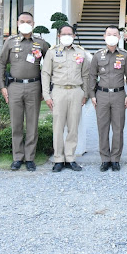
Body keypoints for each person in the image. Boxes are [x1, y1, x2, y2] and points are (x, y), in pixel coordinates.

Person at [0, 12, 50, 172]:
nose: (25, 24)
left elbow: (50, 65)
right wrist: (2, 86)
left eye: (28, 21)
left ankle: (30, 158)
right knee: (16, 123)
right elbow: (1, 64)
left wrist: (46, 88)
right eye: (22, 21)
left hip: (34, 86)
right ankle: (17, 157)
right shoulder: (10, 42)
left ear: (33, 23)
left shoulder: (41, 43)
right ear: (17, 23)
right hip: (14, 86)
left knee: (32, 123)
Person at [42, 25, 89, 172]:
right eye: (64, 34)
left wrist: (85, 94)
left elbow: (85, 74)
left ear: (74, 36)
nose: (67, 36)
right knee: (58, 127)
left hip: (76, 91)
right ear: (59, 36)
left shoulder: (81, 52)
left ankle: (70, 158)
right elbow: (45, 74)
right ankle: (58, 159)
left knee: (73, 127)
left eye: (70, 34)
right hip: (59, 91)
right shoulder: (52, 52)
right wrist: (46, 95)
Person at [89, 25, 127, 172]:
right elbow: (92, 76)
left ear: (119, 37)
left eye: (115, 34)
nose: (112, 37)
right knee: (102, 128)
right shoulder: (97, 55)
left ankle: (115, 159)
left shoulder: (124, 55)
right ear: (104, 36)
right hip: (101, 95)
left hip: (119, 95)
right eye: (109, 34)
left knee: (118, 128)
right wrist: (92, 95)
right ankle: (105, 159)